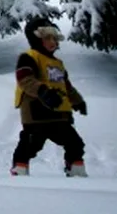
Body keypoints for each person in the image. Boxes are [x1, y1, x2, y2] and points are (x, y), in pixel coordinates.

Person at [11, 17, 88, 177]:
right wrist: (42, 91)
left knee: (74, 142)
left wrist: (77, 101)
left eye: (55, 38)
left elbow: (66, 86)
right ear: (36, 39)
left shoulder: (57, 63)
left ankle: (76, 169)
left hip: (59, 114)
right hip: (36, 112)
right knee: (31, 143)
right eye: (47, 38)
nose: (53, 42)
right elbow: (25, 80)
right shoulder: (29, 57)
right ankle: (20, 168)